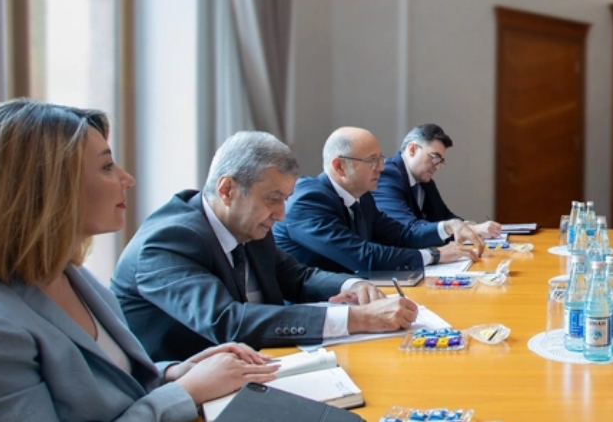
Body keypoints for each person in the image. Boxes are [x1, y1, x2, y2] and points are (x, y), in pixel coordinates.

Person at [0, 100, 279, 422]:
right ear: (46, 186)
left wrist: (174, 372)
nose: (127, 179)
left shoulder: (71, 275)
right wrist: (183, 394)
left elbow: (109, 386)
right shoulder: (0, 325)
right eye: (107, 166)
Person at [114, 131, 418, 362]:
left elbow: (297, 277)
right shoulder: (168, 240)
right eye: (273, 199)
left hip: (256, 367)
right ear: (227, 190)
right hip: (183, 397)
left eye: (285, 200)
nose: (281, 215)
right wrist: (359, 319)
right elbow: (227, 321)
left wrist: (354, 285)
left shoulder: (246, 224)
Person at [274, 127, 481, 274]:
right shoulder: (308, 201)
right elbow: (363, 256)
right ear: (339, 166)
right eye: (372, 161)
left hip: (354, 293)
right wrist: (434, 255)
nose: (381, 167)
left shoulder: (362, 198)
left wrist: (448, 227)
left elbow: (402, 235)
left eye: (380, 159)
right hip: (312, 305)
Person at [373, 123, 501, 241]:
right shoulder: (387, 176)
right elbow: (407, 228)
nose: (437, 166)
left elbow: (444, 216)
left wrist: (470, 227)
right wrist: (472, 230)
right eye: (434, 158)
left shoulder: (425, 181)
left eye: (441, 161)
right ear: (412, 149)